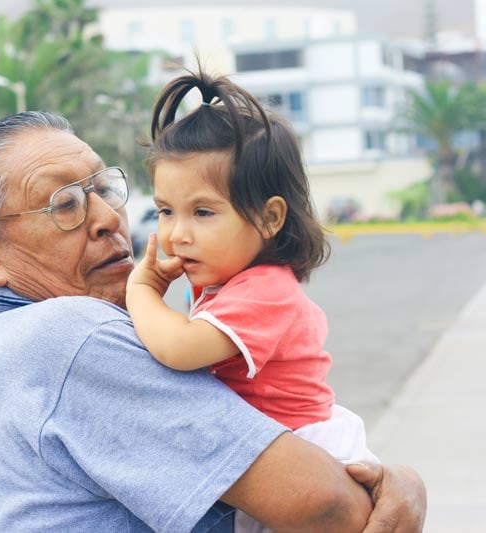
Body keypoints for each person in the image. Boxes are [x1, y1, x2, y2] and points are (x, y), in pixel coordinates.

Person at [0, 110, 426, 532]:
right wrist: (398, 485)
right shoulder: (70, 336)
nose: (109, 218)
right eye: (65, 204)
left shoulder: (22, 342)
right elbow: (328, 506)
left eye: (104, 188)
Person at [125, 70, 378, 533]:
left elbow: (180, 350)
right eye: (165, 211)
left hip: (308, 462)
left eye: (203, 212)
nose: (177, 233)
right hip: (276, 455)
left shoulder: (266, 290)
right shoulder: (224, 284)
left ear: (269, 217)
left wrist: (140, 292)